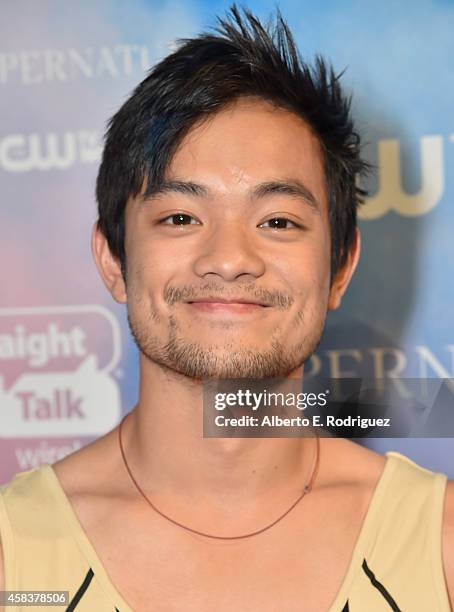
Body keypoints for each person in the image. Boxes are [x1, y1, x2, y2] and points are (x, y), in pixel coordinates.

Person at [0, 5, 453, 611]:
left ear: (340, 266)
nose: (231, 257)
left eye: (278, 220)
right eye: (181, 217)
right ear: (113, 259)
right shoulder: (15, 560)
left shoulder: (439, 545)